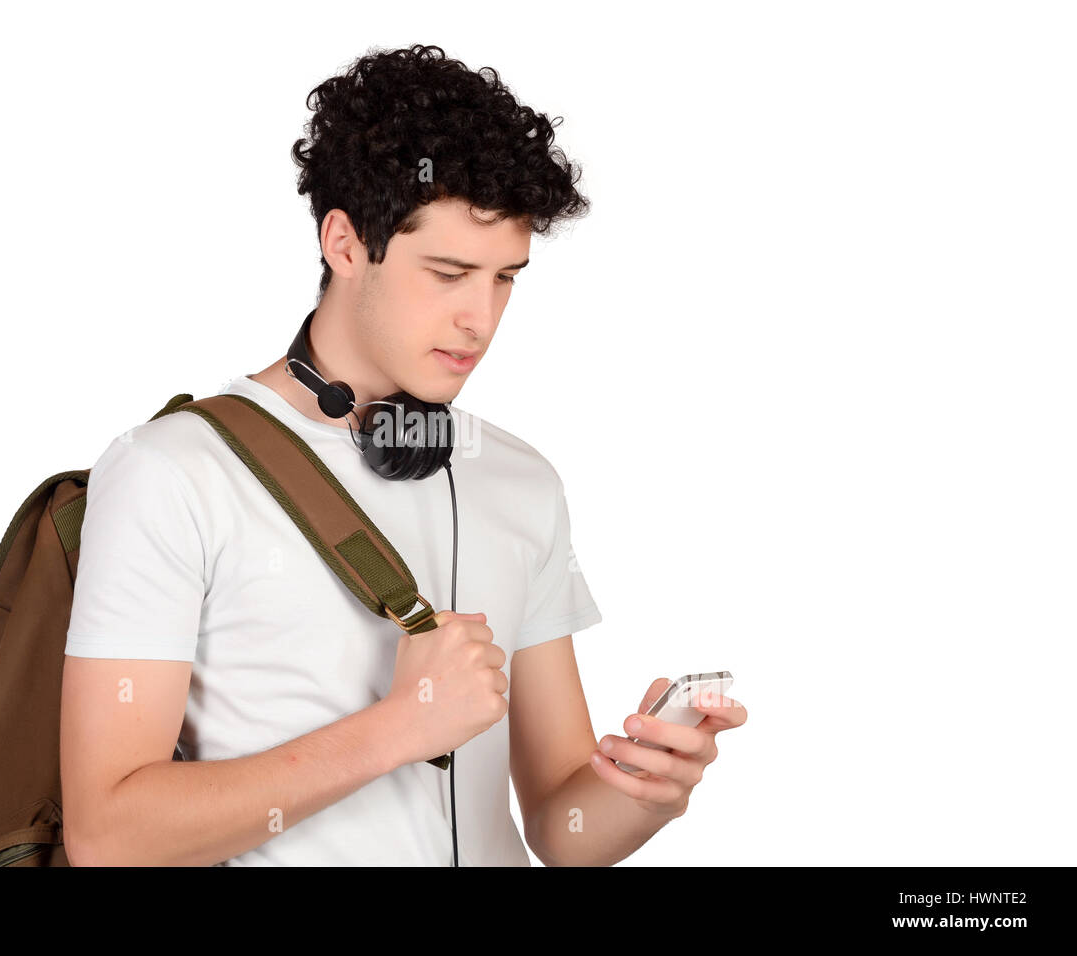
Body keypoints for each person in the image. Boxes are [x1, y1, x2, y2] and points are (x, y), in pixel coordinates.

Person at [59, 43, 745, 867]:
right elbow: (108, 835)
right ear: (344, 244)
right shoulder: (172, 474)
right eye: (449, 273)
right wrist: (398, 729)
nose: (480, 321)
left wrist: (645, 790)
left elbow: (562, 832)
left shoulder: (519, 479)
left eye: (504, 279)